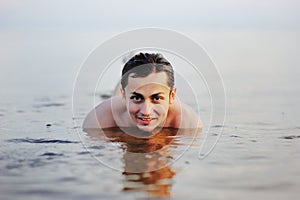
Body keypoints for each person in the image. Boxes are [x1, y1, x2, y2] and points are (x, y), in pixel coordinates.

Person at [83, 52, 202, 133]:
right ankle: (132, 58)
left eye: (156, 98)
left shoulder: (188, 123)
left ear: (172, 96)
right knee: (122, 89)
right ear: (124, 96)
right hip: (120, 101)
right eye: (137, 98)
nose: (146, 112)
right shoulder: (98, 119)